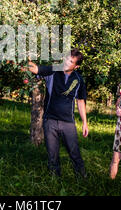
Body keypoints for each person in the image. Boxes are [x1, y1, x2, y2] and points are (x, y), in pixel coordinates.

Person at [27, 48, 89, 178]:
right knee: (52, 154)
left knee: (74, 152)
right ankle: (54, 180)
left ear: (76, 66)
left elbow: (81, 102)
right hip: (50, 120)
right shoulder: (54, 70)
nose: (66, 62)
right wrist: (26, 59)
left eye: (71, 61)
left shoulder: (78, 80)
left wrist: (84, 123)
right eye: (66, 58)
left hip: (68, 122)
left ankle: (83, 178)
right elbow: (36, 69)